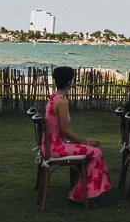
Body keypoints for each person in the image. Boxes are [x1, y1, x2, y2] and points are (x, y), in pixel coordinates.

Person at [44, 66, 111, 203]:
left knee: (92, 150)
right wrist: (86, 142)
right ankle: (81, 195)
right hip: (56, 148)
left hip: (49, 145)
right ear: (69, 82)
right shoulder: (62, 102)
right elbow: (65, 131)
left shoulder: (53, 98)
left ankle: (84, 190)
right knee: (96, 152)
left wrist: (84, 142)